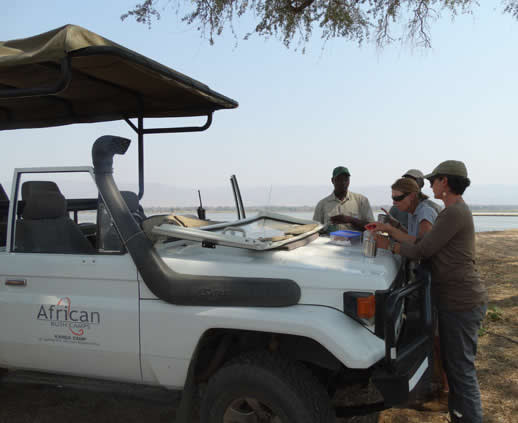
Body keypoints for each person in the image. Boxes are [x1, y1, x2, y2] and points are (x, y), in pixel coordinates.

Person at [372, 160, 488, 423]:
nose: (430, 185)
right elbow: (421, 242)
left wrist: (389, 245)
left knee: (462, 373)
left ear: (445, 182)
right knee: (455, 369)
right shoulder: (451, 211)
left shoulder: (454, 213)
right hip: (454, 300)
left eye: (434, 180)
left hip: (462, 301)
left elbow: (422, 250)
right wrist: (392, 232)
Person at [370, 177, 437, 242]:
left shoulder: (425, 213)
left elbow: (422, 244)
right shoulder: (412, 212)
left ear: (412, 196)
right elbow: (411, 237)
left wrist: (391, 231)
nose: (394, 202)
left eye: (398, 198)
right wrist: (396, 224)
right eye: (393, 198)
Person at [313, 166, 374, 232]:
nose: (343, 182)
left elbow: (372, 227)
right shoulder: (322, 204)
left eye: (346, 179)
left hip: (355, 241)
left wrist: (351, 220)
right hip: (329, 241)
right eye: (339, 179)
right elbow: (314, 229)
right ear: (332, 180)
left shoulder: (361, 200)